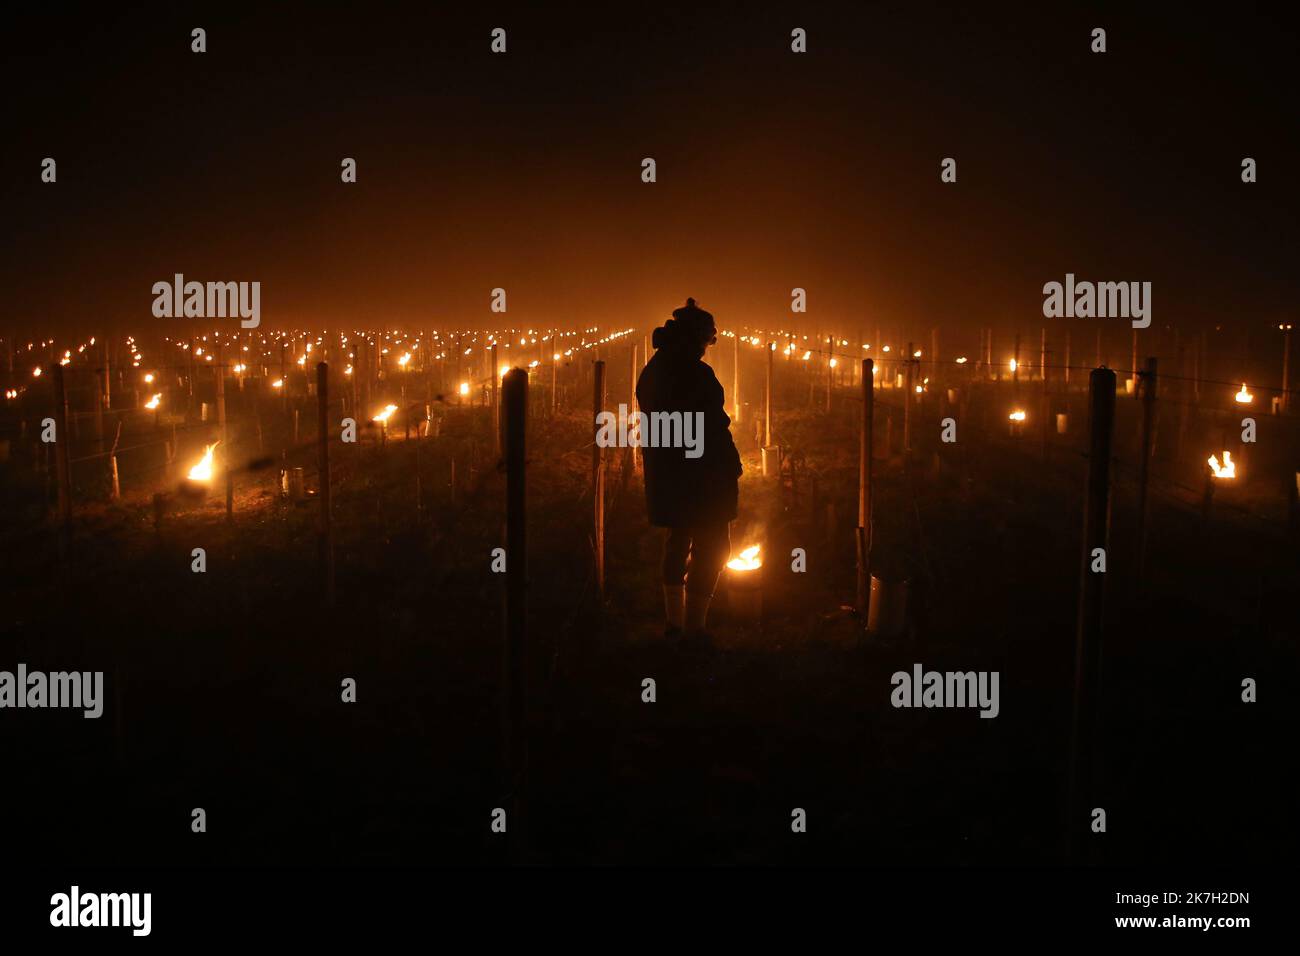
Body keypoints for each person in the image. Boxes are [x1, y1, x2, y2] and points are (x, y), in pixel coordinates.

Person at [635, 298, 742, 644]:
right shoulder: (695, 374)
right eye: (707, 340)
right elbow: (713, 428)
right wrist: (728, 466)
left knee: (678, 541)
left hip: (668, 474)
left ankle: (674, 623)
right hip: (702, 477)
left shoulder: (653, 370)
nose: (707, 348)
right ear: (696, 337)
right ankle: (694, 629)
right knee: (712, 547)